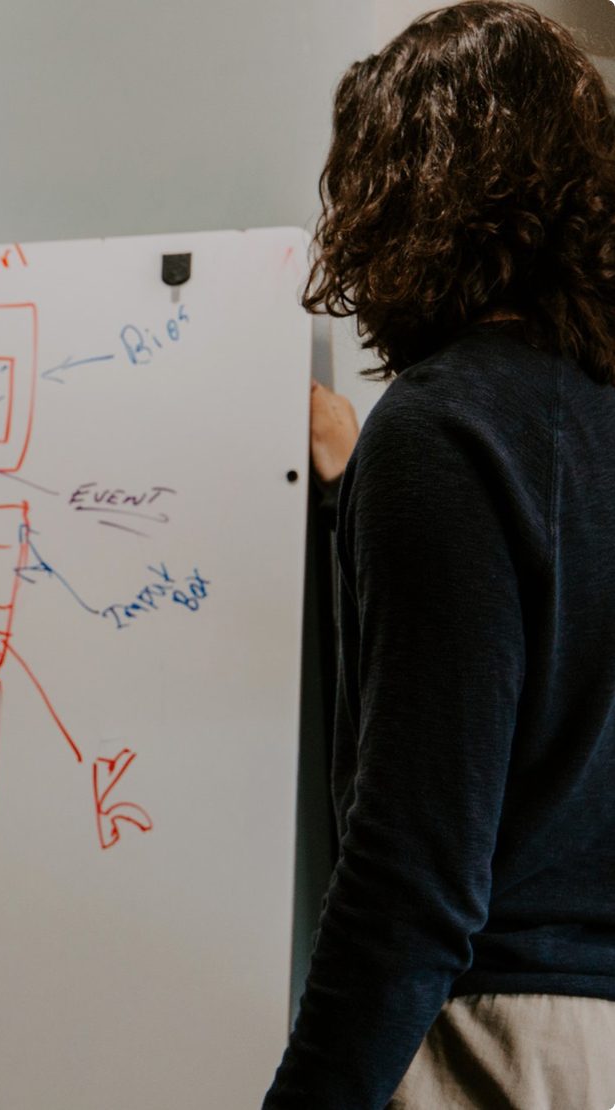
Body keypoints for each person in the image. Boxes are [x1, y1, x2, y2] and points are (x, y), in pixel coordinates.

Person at [265, 3, 615, 1106]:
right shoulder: (580, 419)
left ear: (403, 195)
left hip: (492, 1042)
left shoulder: (441, 430)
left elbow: (412, 872)